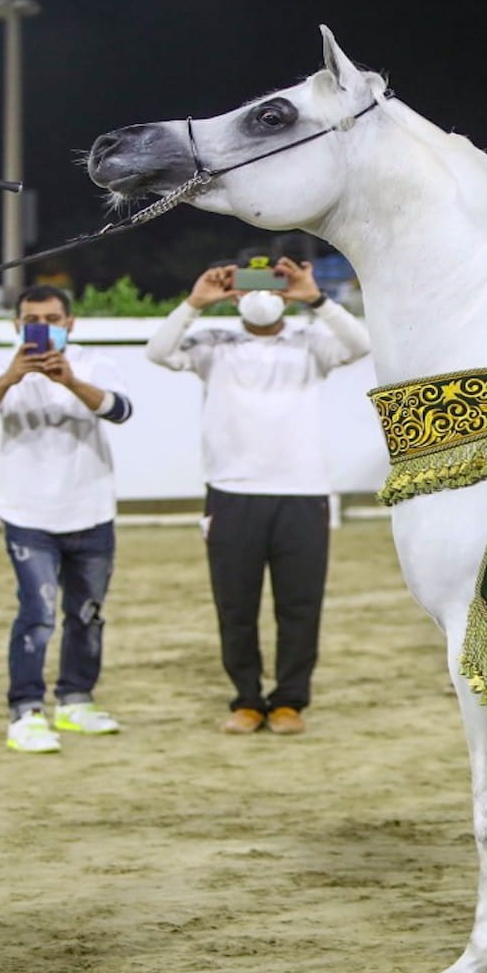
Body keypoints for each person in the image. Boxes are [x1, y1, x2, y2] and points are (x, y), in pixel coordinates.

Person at [145, 256, 370, 735]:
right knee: (236, 606)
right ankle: (246, 700)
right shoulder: (214, 344)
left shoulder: (310, 342)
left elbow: (360, 345)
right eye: (249, 284)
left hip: (303, 493)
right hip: (232, 493)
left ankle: (290, 701)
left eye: (272, 283)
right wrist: (194, 303)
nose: (261, 293)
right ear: (234, 293)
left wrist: (315, 298)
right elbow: (158, 353)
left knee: (300, 605)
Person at [0, 286, 134, 754]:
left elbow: (121, 410)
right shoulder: (0, 368)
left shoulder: (94, 365)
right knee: (37, 615)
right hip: (29, 516)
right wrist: (12, 377)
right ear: (17, 325)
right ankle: (26, 711)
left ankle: (76, 699)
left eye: (52, 317)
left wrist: (71, 381)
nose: (43, 324)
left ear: (70, 323)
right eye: (33, 317)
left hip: (91, 512)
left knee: (87, 615)